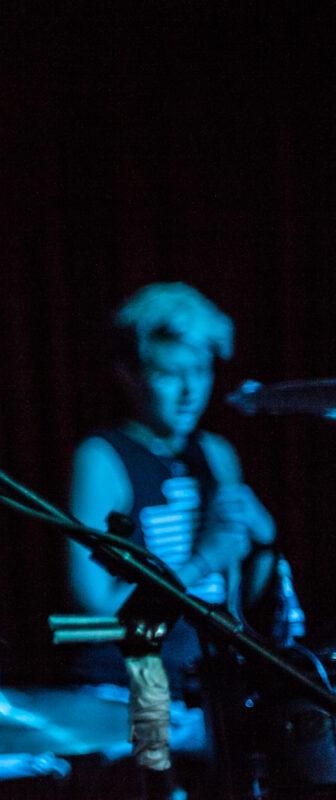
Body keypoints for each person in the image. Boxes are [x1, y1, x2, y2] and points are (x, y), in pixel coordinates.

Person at [66, 282, 277, 698]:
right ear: (129, 375)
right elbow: (94, 608)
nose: (190, 392)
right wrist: (202, 561)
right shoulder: (102, 458)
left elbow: (239, 599)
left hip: (209, 683)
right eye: (169, 374)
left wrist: (265, 538)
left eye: (200, 371)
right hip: (127, 687)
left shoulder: (216, 453)